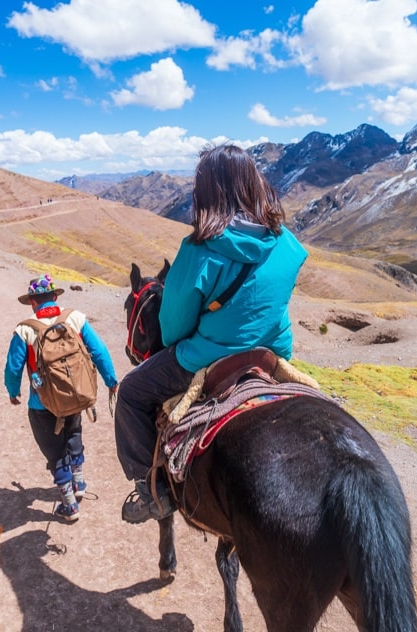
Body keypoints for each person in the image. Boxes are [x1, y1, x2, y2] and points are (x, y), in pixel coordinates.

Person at [114, 144, 309, 524]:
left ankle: (151, 488)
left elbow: (172, 328)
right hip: (273, 354)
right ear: (254, 185)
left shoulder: (200, 249)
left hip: (206, 357)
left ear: (207, 191)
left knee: (131, 393)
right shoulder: (288, 243)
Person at [4, 273, 119, 522]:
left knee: (55, 452)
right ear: (55, 296)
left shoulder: (25, 329)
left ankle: (69, 505)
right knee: (74, 434)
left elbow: (13, 368)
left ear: (33, 302)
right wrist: (111, 381)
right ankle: (79, 483)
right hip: (73, 396)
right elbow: (99, 351)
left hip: (42, 403)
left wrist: (13, 392)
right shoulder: (75, 318)